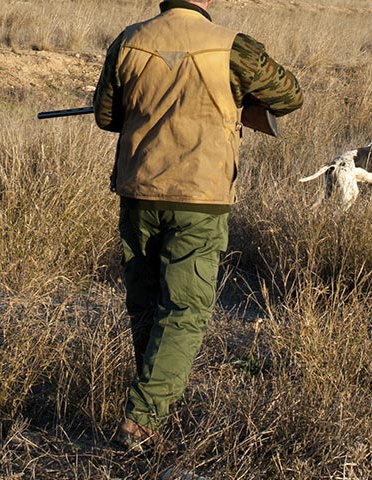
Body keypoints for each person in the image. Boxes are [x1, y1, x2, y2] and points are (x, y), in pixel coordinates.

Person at [93, 0, 303, 450]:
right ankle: (143, 419)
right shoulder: (233, 48)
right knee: (184, 311)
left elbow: (106, 116)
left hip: (138, 191)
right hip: (200, 197)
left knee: (146, 305)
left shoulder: (129, 40)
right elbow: (289, 95)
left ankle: (151, 408)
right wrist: (237, 99)